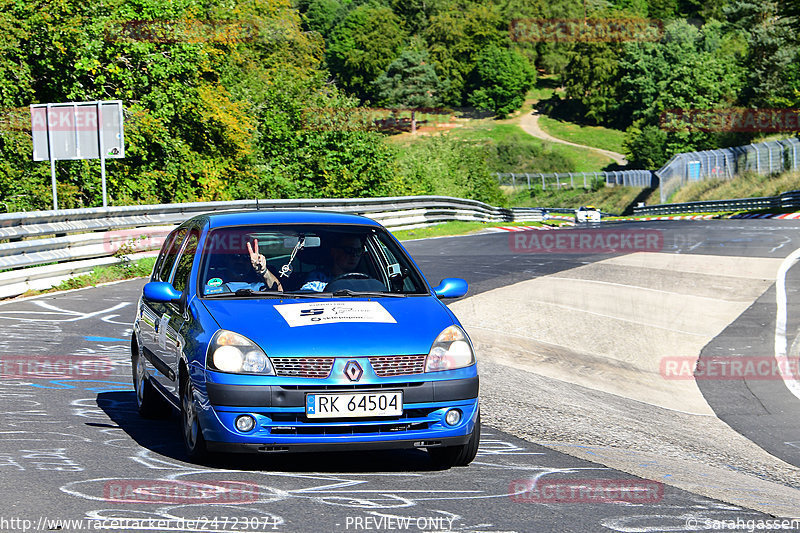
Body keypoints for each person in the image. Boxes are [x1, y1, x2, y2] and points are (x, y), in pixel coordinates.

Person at [300, 234, 365, 292]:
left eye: (358, 251)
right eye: (349, 250)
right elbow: (308, 295)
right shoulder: (318, 278)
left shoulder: (364, 279)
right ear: (335, 252)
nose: (354, 255)